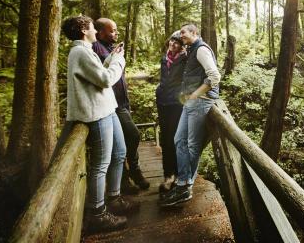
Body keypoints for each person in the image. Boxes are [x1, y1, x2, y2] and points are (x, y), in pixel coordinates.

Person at [62, 15, 139, 233]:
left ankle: (114, 198)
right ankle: (98, 213)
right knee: (100, 164)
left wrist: (110, 59)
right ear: (83, 30)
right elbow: (105, 80)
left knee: (119, 153)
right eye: (91, 27)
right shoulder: (79, 51)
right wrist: (119, 61)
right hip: (97, 113)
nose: (95, 29)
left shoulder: (85, 50)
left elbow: (97, 74)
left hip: (107, 108)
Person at [160, 23, 220, 206]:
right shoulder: (191, 49)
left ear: (194, 32)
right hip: (190, 102)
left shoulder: (201, 49)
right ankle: (183, 182)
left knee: (193, 145)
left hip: (200, 101)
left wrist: (195, 94)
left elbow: (215, 76)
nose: (181, 35)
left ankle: (184, 186)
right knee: (179, 140)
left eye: (184, 32)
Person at [92, 18, 150, 193]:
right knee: (132, 135)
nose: (116, 34)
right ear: (100, 32)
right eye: (112, 31)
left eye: (116, 30)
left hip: (122, 102)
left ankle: (132, 172)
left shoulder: (109, 48)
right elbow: (105, 75)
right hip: (112, 105)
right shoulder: (96, 48)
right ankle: (127, 175)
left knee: (126, 139)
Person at [155, 31, 186, 194]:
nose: (172, 45)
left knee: (175, 139)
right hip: (162, 102)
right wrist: (159, 91)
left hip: (176, 103)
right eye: (171, 41)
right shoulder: (164, 57)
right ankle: (168, 175)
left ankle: (179, 175)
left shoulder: (185, 58)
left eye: (177, 42)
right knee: (166, 139)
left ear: (182, 45)